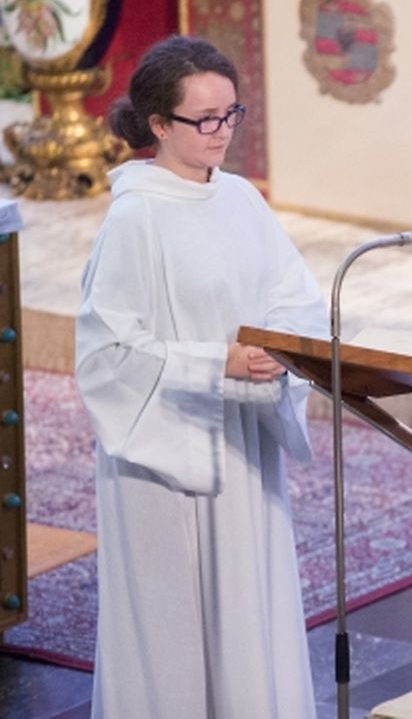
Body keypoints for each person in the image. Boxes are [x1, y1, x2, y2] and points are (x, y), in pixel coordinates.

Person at [75, 36, 326, 718]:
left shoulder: (240, 198)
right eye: (205, 119)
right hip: (165, 463)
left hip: (242, 444)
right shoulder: (136, 216)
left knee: (247, 614)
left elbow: (292, 293)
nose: (221, 132)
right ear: (159, 124)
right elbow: (107, 355)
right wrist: (219, 361)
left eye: (230, 114)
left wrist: (279, 347)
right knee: (175, 630)